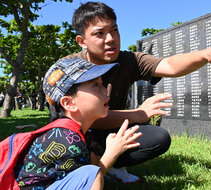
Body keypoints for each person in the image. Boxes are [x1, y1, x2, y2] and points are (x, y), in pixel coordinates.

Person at [61, 1, 211, 183]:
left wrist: (205, 55)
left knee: (157, 138)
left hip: (111, 131)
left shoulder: (128, 61)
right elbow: (80, 119)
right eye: (99, 33)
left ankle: (110, 166)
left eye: (114, 30)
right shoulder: (69, 69)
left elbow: (168, 65)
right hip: (74, 135)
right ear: (82, 41)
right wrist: (139, 114)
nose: (110, 39)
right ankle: (88, 166)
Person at [14, 57, 142, 189]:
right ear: (69, 103)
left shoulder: (71, 132)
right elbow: (89, 181)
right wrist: (111, 154)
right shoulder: (67, 141)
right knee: (91, 174)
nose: (105, 90)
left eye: (102, 83)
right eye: (95, 85)